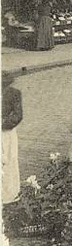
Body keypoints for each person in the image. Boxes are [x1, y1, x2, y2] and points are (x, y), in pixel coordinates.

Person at [2, 72, 22, 204]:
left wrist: (4, 123)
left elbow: (18, 115)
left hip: (5, 132)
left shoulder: (14, 93)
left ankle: (8, 193)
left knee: (8, 160)